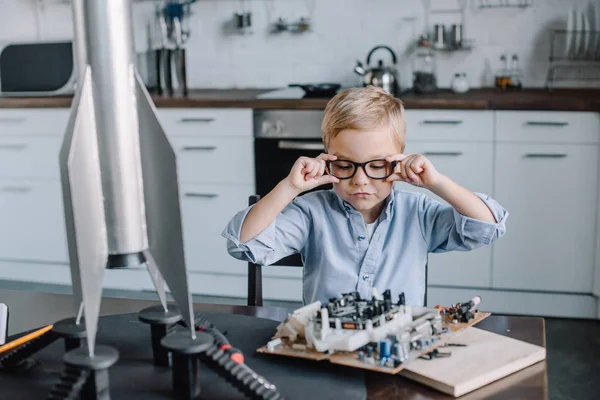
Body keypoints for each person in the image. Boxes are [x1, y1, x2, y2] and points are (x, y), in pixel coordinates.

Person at [221, 86, 508, 306]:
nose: (360, 180)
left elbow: (489, 226)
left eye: (377, 166)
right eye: (345, 165)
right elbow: (242, 244)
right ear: (328, 158)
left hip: (397, 353)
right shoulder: (311, 213)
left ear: (398, 160)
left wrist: (436, 182)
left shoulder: (418, 213)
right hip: (326, 350)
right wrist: (289, 188)